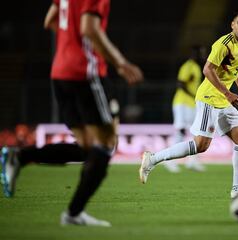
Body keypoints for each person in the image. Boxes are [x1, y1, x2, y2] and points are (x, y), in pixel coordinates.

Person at [1, 0, 143, 227]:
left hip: (60, 73)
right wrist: (120, 63)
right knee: (107, 145)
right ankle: (73, 213)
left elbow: (50, 21)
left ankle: (20, 157)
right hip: (85, 74)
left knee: (88, 148)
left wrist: (70, 45)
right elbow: (89, 28)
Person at [139, 8, 238, 199]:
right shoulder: (224, 44)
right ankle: (152, 159)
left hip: (223, 100)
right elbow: (207, 69)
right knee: (201, 145)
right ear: (233, 25)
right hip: (209, 99)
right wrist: (228, 93)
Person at [163, 45, 207, 173]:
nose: (204, 55)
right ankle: (170, 161)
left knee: (197, 132)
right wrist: (194, 95)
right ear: (195, 54)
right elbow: (180, 84)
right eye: (202, 53)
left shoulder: (196, 67)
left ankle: (192, 162)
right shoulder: (188, 66)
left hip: (191, 105)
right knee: (181, 131)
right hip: (182, 103)